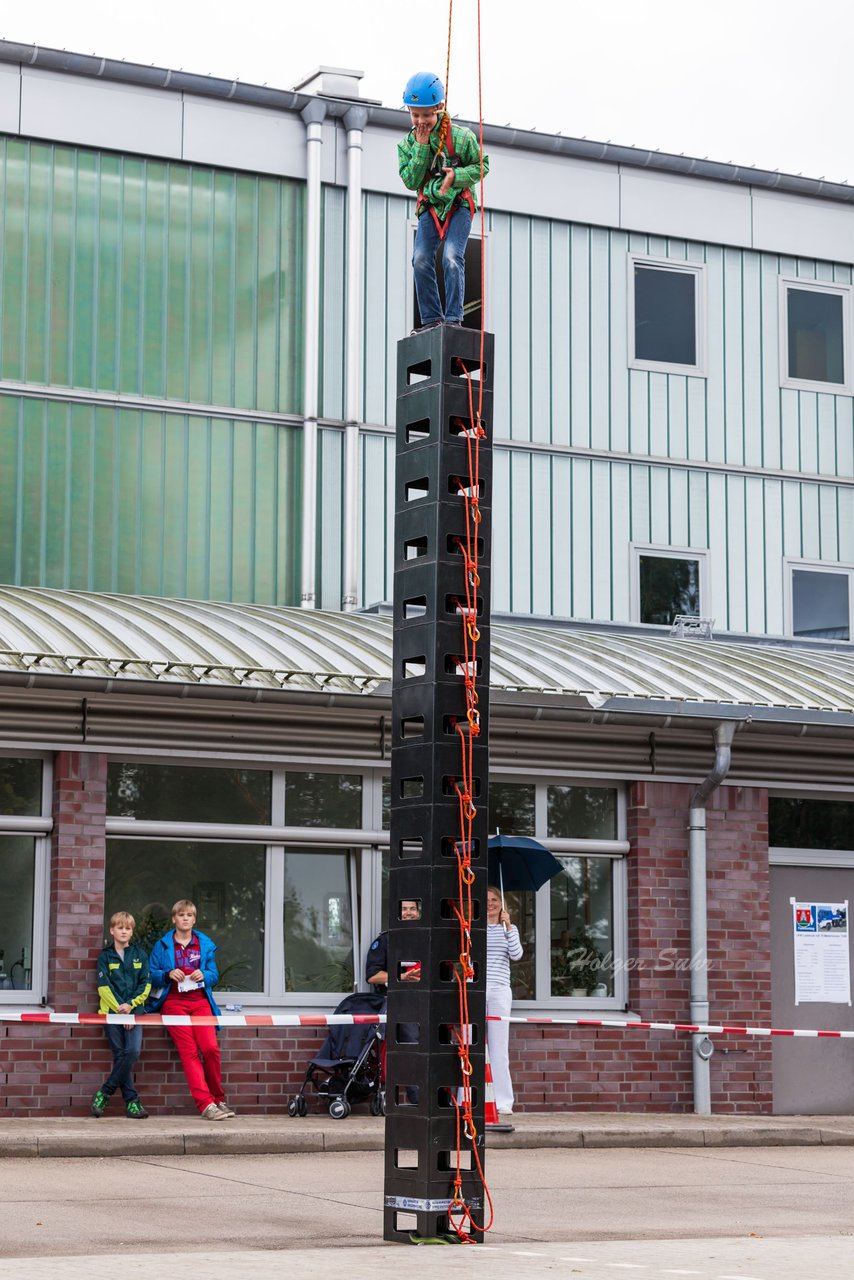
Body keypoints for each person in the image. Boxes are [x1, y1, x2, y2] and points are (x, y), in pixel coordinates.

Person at [399, 71, 489, 333]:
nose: (420, 121)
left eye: (426, 115)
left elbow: (482, 165)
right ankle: (432, 320)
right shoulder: (407, 145)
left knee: (451, 255)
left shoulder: (461, 138)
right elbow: (412, 181)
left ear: (439, 108)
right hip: (430, 205)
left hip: (459, 203)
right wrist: (421, 147)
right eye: (415, 115)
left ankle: (453, 319)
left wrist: (457, 176)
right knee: (420, 258)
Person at [147, 899, 235, 1121]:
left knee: (210, 1049)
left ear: (194, 919)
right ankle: (206, 1104)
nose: (185, 918)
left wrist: (204, 975)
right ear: (174, 919)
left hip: (200, 1001)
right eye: (181, 914)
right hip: (174, 1002)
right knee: (189, 1051)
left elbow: (214, 975)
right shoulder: (163, 945)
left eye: (189, 915)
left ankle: (217, 1098)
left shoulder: (204, 944)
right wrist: (167, 974)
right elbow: (150, 974)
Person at [91, 910, 151, 1119]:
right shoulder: (105, 956)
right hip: (111, 1014)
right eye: (120, 927)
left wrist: (131, 1009)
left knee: (132, 1052)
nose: (124, 931)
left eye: (128, 928)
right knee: (120, 1056)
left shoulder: (140, 955)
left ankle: (104, 1092)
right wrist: (121, 1009)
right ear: (112, 930)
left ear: (132, 931)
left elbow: (146, 985)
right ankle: (132, 1103)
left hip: (134, 1014)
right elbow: (103, 988)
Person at [486, 885, 523, 1119]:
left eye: (495, 899)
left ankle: (503, 1101)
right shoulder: (473, 928)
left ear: (501, 904)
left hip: (500, 990)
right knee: (471, 1045)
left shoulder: (510, 928)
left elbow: (517, 955)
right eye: (487, 900)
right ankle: (468, 1098)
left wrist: (508, 928)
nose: (490, 903)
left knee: (499, 1048)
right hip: (475, 988)